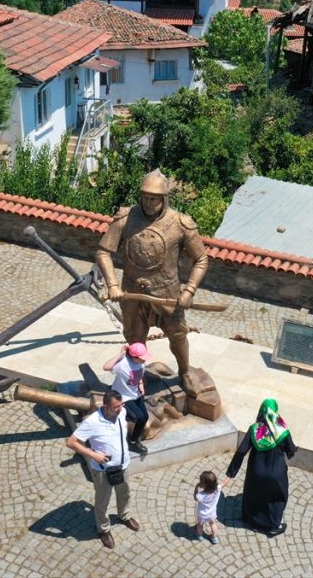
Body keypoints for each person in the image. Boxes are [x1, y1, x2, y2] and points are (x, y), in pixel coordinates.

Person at [95, 170, 209, 386]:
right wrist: (112, 284)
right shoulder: (126, 218)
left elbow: (201, 259)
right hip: (132, 292)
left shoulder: (180, 223)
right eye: (145, 197)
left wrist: (189, 290)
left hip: (167, 293)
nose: (148, 203)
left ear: (164, 199)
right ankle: (137, 377)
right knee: (134, 338)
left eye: (154, 199)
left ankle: (185, 372)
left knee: (178, 336)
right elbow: (103, 252)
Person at [65, 390, 141, 549]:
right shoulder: (92, 422)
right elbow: (71, 442)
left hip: (122, 465)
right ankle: (104, 529)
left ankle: (124, 515)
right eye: (115, 407)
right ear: (105, 406)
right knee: (102, 501)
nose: (120, 409)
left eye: (121, 405)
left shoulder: (122, 412)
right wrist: (93, 455)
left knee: (125, 493)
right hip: (102, 470)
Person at [225, 398, 297, 537]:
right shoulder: (282, 431)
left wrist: (231, 473)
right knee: (276, 497)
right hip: (276, 473)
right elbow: (290, 452)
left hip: (255, 472)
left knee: (253, 494)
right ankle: (273, 526)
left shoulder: (254, 430)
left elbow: (241, 451)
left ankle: (252, 521)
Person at [103, 342, 151, 455]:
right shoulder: (123, 364)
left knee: (144, 417)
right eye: (142, 358)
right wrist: (120, 354)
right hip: (123, 396)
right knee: (138, 416)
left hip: (135, 394)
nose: (144, 360)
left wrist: (140, 384)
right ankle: (126, 434)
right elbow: (106, 367)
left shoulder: (141, 363)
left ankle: (134, 441)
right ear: (134, 357)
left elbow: (139, 375)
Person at [194, 470, 231, 545]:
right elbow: (224, 483)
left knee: (200, 524)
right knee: (213, 524)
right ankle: (214, 538)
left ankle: (200, 536)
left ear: (204, 486)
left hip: (202, 514)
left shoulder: (201, 495)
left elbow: (195, 497)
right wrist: (229, 476)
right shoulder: (218, 488)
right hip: (211, 513)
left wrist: (196, 487)